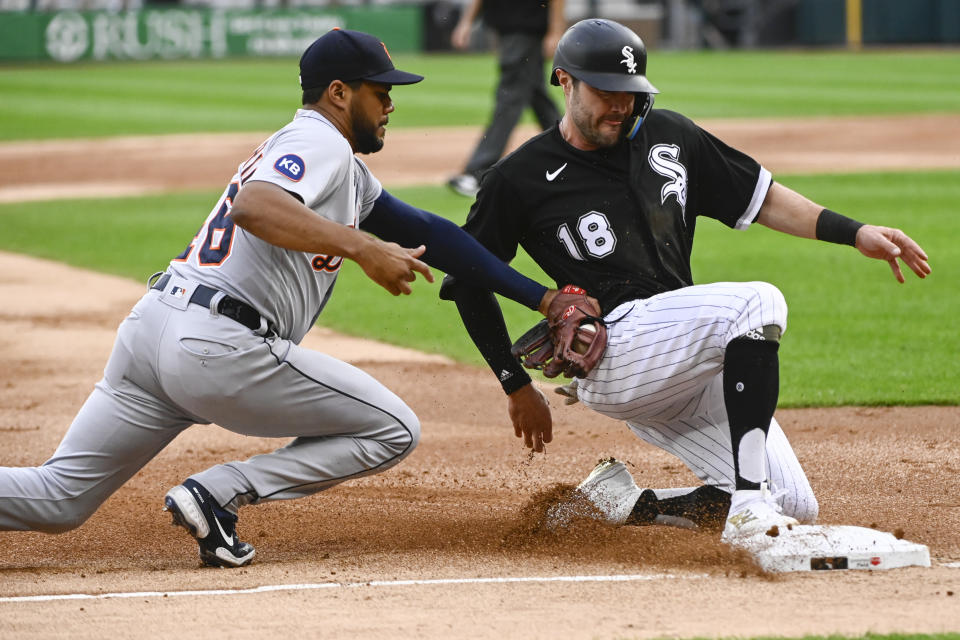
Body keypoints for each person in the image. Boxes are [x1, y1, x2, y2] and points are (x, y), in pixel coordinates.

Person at [0, 28, 561, 568]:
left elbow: (434, 235)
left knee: (58, 499)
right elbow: (255, 206)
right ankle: (220, 492)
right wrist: (363, 248)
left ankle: (215, 493)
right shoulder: (320, 141)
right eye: (381, 91)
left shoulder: (337, 163)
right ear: (339, 93)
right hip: (216, 345)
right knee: (393, 429)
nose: (391, 104)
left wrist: (541, 299)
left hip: (155, 330)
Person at [440, 19, 931, 540]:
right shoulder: (518, 178)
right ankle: (747, 509)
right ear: (564, 81)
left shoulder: (670, 136)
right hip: (614, 353)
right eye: (604, 91)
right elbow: (467, 279)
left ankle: (621, 504)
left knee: (792, 502)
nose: (619, 105)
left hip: (679, 352)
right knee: (757, 303)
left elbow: (760, 198)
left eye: (629, 93)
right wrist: (514, 383)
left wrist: (854, 233)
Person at [446, 0, 565, 198]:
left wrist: (556, 30)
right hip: (509, 28)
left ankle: (478, 172)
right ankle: (575, 150)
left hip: (526, 27)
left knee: (509, 97)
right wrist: (466, 22)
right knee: (536, 95)